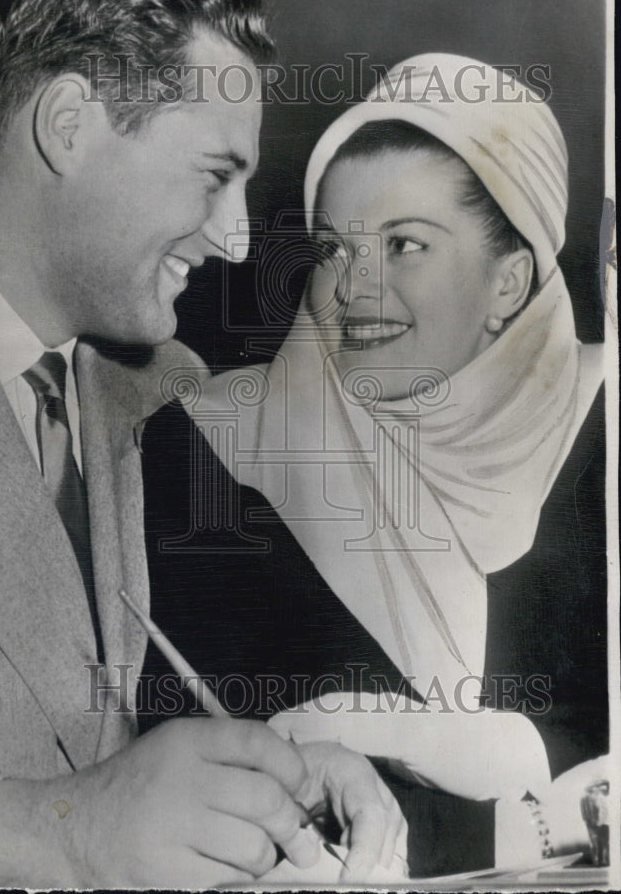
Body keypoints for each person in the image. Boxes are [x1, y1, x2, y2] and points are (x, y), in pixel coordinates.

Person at [0, 0, 405, 888]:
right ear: (69, 124)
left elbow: (303, 662)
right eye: (213, 174)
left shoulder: (156, 388)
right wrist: (57, 829)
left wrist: (288, 763)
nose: (238, 238)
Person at [140, 54, 607, 874]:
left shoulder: (605, 428)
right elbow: (217, 782)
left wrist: (424, 736)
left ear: (509, 281)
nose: (351, 288)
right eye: (333, 248)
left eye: (403, 245)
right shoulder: (210, 450)